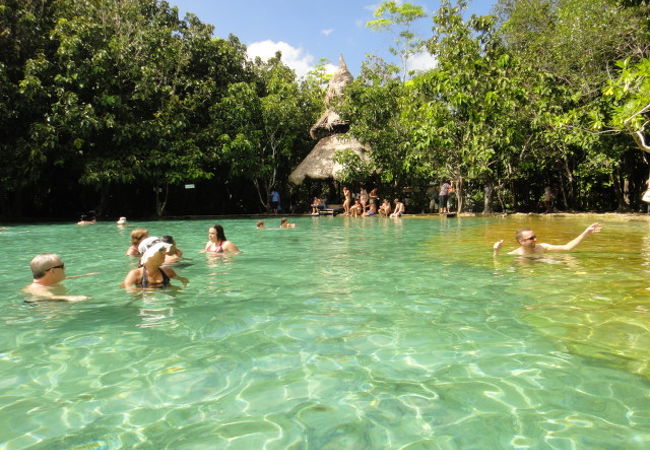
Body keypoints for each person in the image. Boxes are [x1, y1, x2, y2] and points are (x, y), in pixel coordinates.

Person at [493, 223, 603, 256]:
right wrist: (496, 251)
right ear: (521, 242)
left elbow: (567, 247)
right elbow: (497, 262)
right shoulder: (516, 254)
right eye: (531, 238)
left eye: (535, 236)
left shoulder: (542, 247)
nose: (535, 239)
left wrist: (585, 233)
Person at [23, 254, 95, 302]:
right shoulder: (37, 289)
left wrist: (85, 275)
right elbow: (50, 297)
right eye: (62, 266)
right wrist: (72, 298)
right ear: (53, 271)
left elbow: (67, 278)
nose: (65, 268)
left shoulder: (51, 282)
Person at [121, 242, 188, 290]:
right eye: (160, 251)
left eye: (163, 251)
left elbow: (184, 280)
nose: (164, 253)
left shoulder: (168, 271)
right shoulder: (135, 274)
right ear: (149, 256)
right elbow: (126, 289)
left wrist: (181, 290)